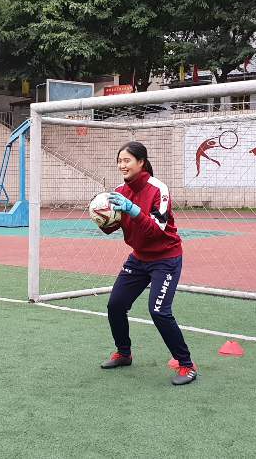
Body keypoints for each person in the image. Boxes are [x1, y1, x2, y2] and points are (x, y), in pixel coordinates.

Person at [97, 141, 198, 385]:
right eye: (119, 161)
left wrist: (132, 210)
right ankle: (124, 353)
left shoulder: (158, 189)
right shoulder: (119, 191)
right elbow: (113, 228)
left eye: (127, 160)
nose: (122, 165)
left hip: (166, 259)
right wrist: (101, 217)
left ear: (141, 162)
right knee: (115, 305)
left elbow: (155, 229)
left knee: (159, 311)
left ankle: (187, 365)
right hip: (139, 258)